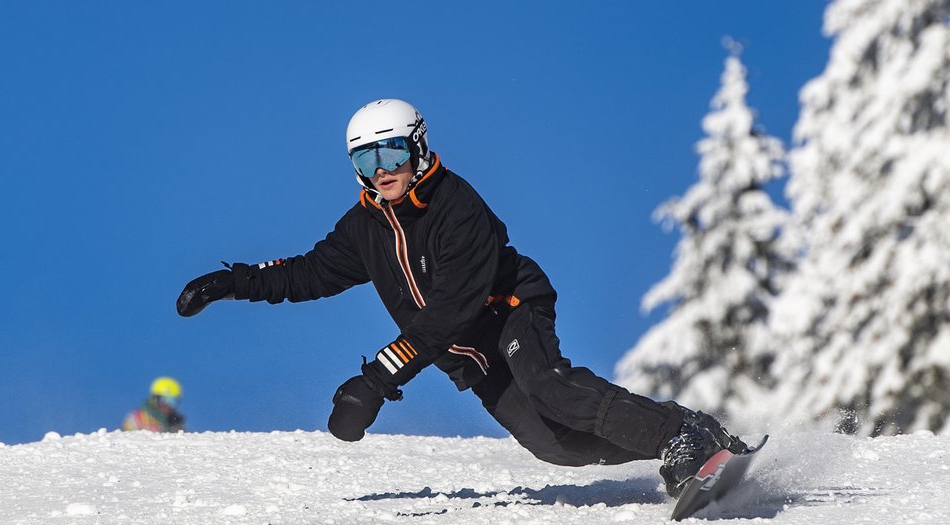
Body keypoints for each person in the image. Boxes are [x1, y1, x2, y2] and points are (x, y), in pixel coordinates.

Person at [176, 99, 747, 497]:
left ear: (418, 147)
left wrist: (378, 378)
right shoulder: (365, 227)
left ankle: (679, 439)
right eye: (365, 161)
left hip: (506, 311)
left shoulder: (456, 206)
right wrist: (235, 283)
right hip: (465, 355)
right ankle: (690, 432)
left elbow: (452, 308)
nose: (381, 172)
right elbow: (308, 273)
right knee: (555, 445)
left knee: (548, 386)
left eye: (391, 154)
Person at [121, 376, 186, 433]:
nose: (168, 405)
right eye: (164, 400)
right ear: (155, 399)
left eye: (173, 401)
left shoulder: (175, 424)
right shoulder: (137, 419)